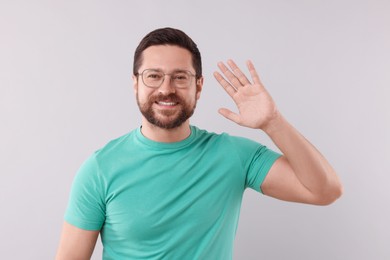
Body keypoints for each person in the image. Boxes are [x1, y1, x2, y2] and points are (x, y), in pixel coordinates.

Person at [56, 27, 343, 259]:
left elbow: (324, 191)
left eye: (180, 77)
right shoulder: (100, 168)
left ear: (199, 86)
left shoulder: (233, 155)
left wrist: (273, 123)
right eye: (153, 76)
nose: (166, 88)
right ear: (135, 83)